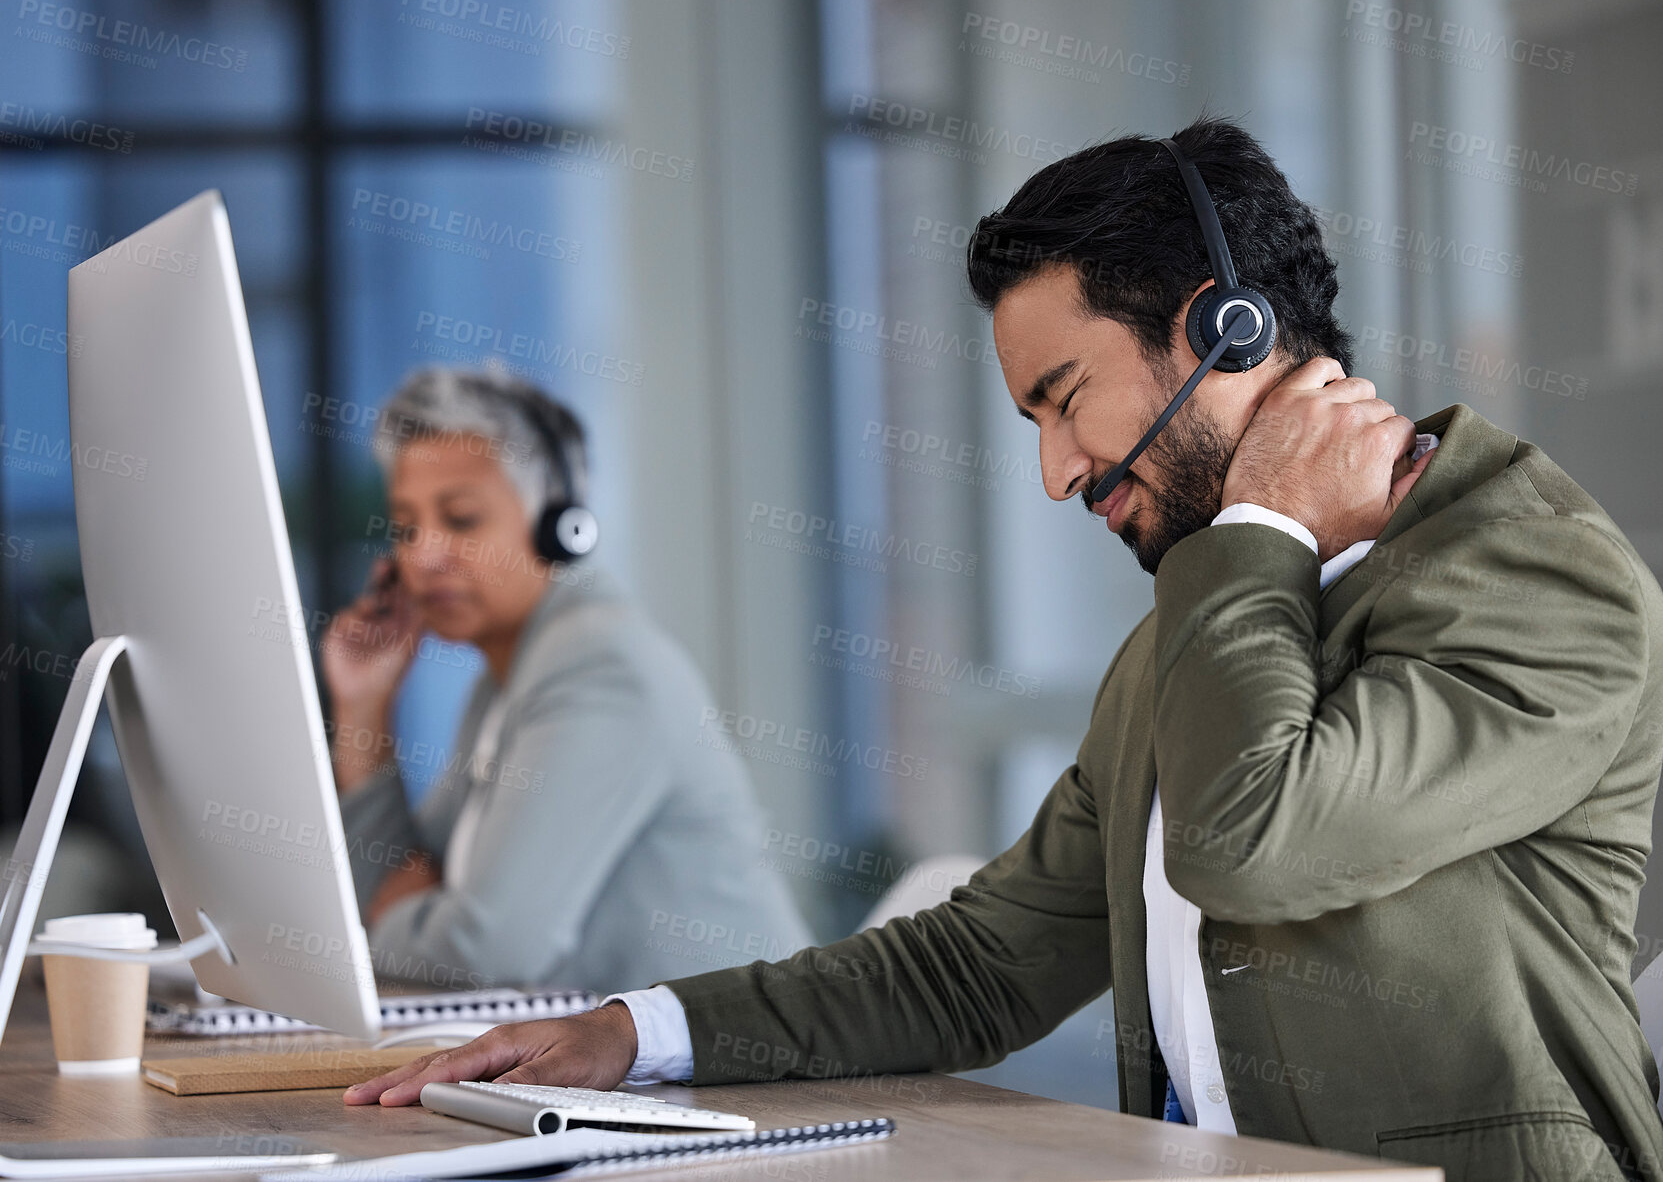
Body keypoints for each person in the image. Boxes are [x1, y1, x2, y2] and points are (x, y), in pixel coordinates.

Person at [346, 121, 1663, 1181]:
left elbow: (1250, 836)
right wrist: (633, 1031)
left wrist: (1254, 516)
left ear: (1223, 334)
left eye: (1062, 401)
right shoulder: (1198, 628)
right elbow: (976, 958)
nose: (1050, 472)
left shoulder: (1533, 575)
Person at [320, 368, 810, 995]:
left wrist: (391, 918)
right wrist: (363, 709)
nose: (423, 555)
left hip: (748, 1084)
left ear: (560, 526)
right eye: (407, 526)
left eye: (462, 519)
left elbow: (485, 951)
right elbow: (408, 883)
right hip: (631, 1077)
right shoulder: (505, 679)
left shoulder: (599, 668)